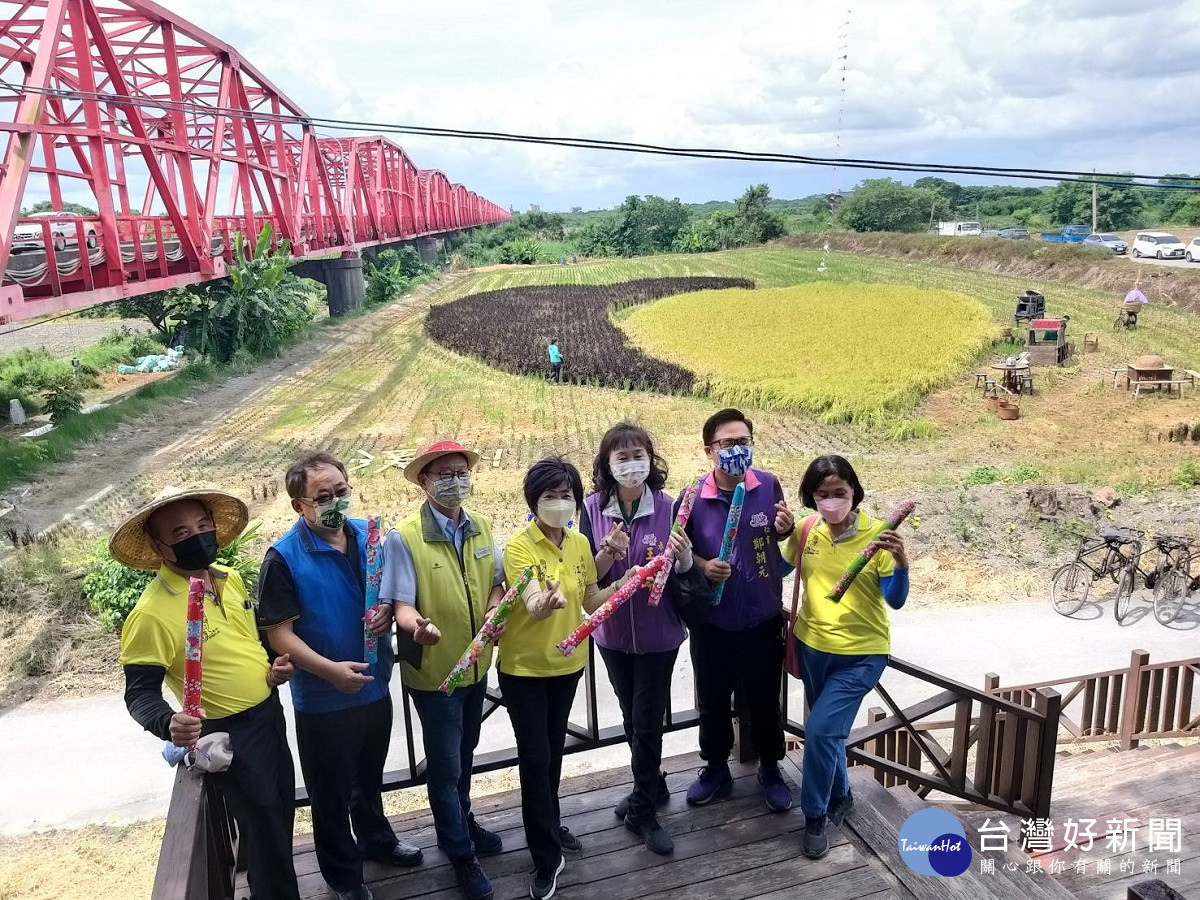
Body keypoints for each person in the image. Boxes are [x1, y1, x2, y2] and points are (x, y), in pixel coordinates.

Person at [115, 486, 300, 900]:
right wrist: (168, 723)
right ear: (158, 547)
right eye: (180, 534)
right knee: (265, 826)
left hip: (268, 714)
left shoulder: (228, 578)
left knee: (277, 817)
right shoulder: (152, 614)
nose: (196, 537)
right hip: (229, 732)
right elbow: (139, 694)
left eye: (202, 526)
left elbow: (247, 639)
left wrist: (271, 666)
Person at [257, 453, 422, 900]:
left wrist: (388, 611)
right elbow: (279, 634)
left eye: (341, 492)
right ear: (299, 506)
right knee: (328, 795)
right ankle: (343, 875)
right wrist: (329, 672)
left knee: (369, 777)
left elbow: (391, 596)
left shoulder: (371, 537)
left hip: (373, 683)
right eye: (322, 497)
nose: (335, 503)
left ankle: (377, 840)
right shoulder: (284, 558)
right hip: (324, 698)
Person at [499, 456, 636, 900]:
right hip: (525, 669)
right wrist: (545, 604)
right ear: (533, 502)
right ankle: (545, 857)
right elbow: (534, 601)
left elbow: (592, 596)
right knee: (535, 759)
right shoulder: (519, 547)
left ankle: (550, 825)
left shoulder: (578, 541)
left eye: (566, 496)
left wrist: (624, 578)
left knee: (552, 755)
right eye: (549, 497)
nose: (559, 503)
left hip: (568, 664)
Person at [380, 440, 505, 900]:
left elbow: (495, 586)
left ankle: (463, 822)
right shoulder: (406, 536)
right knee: (446, 765)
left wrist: (495, 612)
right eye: (444, 474)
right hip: (434, 673)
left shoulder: (483, 525)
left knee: (465, 753)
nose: (455, 480)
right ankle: (459, 853)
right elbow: (402, 605)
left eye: (460, 471)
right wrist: (418, 628)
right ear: (424, 482)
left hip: (476, 668)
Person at [782, 454, 909, 860]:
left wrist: (902, 562)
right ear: (811, 498)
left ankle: (816, 814)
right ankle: (842, 794)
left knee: (819, 731)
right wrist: (778, 532)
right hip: (812, 646)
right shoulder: (806, 530)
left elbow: (896, 599)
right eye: (823, 494)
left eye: (840, 492)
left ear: (854, 492)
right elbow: (783, 570)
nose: (832, 500)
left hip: (860, 656)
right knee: (829, 733)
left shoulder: (878, 536)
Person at [579, 422, 690, 855]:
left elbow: (684, 575)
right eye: (621, 457)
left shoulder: (670, 506)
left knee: (646, 721)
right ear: (607, 465)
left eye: (638, 455)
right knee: (630, 716)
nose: (631, 464)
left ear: (651, 458)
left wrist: (681, 559)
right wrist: (607, 551)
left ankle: (643, 809)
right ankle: (654, 784)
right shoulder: (590, 509)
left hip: (659, 633)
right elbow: (585, 576)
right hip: (611, 633)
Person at [683, 408, 795, 812]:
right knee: (712, 699)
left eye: (743, 442)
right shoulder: (693, 496)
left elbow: (779, 539)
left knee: (764, 698)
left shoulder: (767, 485)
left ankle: (770, 767)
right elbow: (681, 550)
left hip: (762, 618)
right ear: (709, 451)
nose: (736, 450)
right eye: (727, 444)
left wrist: (785, 529)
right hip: (712, 621)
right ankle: (715, 767)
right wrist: (703, 565)